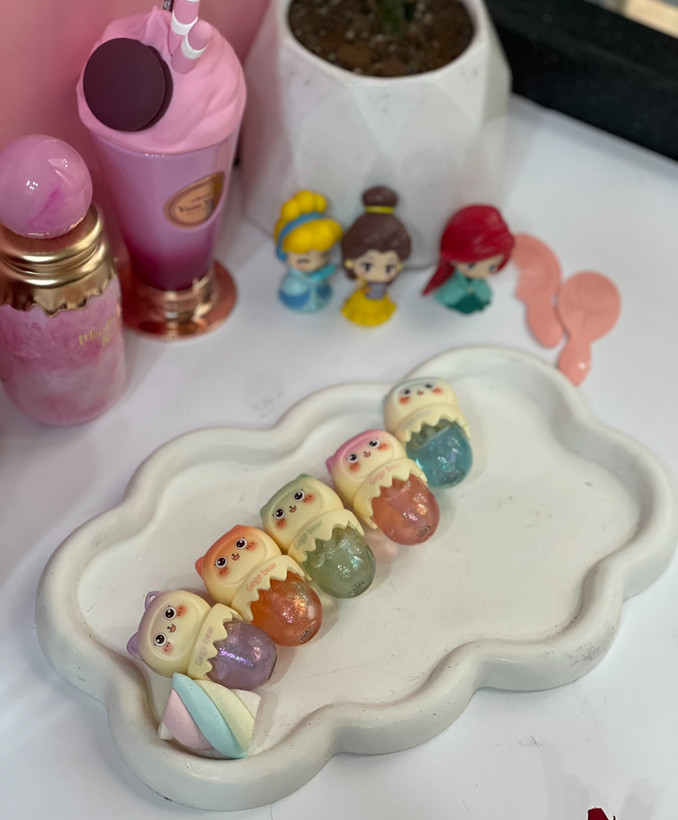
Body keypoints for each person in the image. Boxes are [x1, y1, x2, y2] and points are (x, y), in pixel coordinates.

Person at [422, 205, 514, 313]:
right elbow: (444, 297)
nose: (480, 272)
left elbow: (486, 297)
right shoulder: (453, 287)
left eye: (492, 267)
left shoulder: (481, 287)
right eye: (471, 266)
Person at [341, 186, 411, 326]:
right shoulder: (362, 280)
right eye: (367, 266)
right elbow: (360, 285)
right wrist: (362, 285)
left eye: (389, 267)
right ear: (351, 261)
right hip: (363, 299)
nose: (378, 275)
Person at [274, 190, 343, 312]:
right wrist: (316, 278)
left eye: (324, 255)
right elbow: (302, 277)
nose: (316, 264)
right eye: (304, 260)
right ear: (283, 253)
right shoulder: (297, 272)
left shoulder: (318, 270)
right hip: (297, 289)